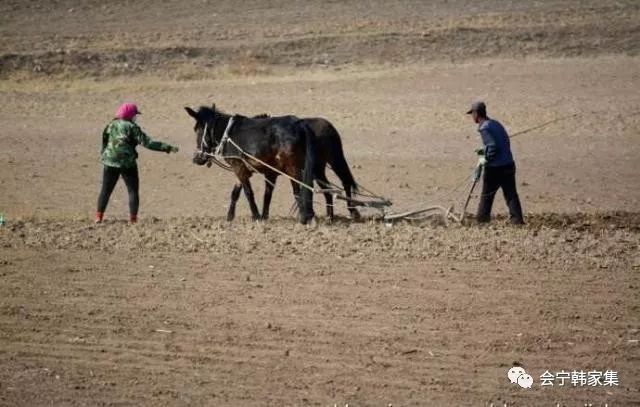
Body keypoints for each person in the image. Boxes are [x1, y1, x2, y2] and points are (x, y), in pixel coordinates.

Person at [95, 103, 179, 224]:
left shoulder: (110, 125)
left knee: (106, 190)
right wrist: (167, 147)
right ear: (130, 115)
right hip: (128, 164)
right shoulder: (132, 127)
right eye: (135, 115)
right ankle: (133, 219)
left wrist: (105, 156)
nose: (135, 117)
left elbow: (104, 142)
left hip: (109, 162)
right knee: (132, 191)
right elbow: (148, 143)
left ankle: (98, 217)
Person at [467, 101, 524, 224]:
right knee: (511, 194)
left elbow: (493, 146)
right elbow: (502, 142)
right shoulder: (495, 123)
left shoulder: (484, 127)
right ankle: (517, 220)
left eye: (472, 114)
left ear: (477, 114)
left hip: (495, 168)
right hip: (509, 164)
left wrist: (486, 159)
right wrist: (485, 149)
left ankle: (482, 220)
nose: (472, 117)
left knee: (486, 195)